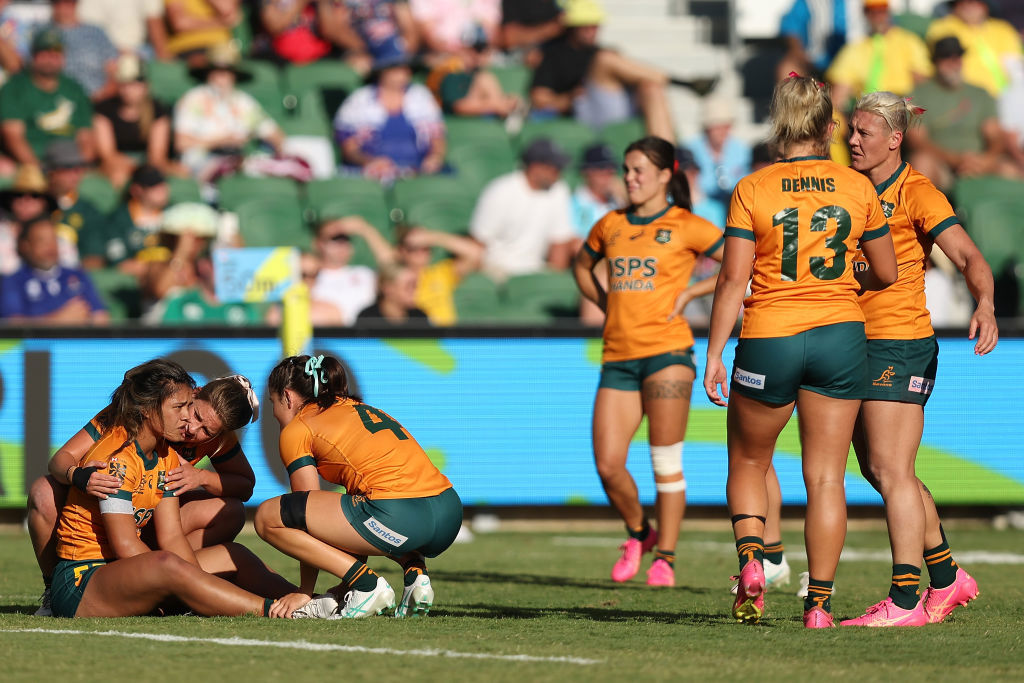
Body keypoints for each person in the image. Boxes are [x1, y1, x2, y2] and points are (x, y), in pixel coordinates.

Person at [703, 73, 897, 628]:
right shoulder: (857, 187)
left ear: (777, 123)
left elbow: (731, 280)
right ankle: (819, 606)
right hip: (839, 334)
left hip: (770, 334)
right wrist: (837, 279)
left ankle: (752, 561)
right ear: (827, 127)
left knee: (747, 460)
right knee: (827, 478)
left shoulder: (752, 188)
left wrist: (716, 352)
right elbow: (885, 270)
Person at [840, 90, 997, 626]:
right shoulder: (851, 187)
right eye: (851, 130)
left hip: (899, 341)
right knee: (879, 469)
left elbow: (969, 255)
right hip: (854, 339)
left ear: (895, 139)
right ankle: (949, 577)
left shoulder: (917, 192)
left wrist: (986, 303)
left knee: (890, 468)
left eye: (863, 132)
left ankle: (905, 599)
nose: (852, 139)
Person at [572, 136, 724, 587]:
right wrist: (605, 301)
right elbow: (581, 266)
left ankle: (667, 558)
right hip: (618, 355)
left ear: (664, 175)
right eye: (626, 170)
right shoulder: (609, 224)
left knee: (665, 459)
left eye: (639, 170)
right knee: (608, 465)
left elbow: (745, 259)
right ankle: (640, 531)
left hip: (669, 354)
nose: (630, 178)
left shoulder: (687, 225)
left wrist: (693, 292)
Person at [47, 359, 297, 619]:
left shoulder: (166, 456)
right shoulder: (118, 458)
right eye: (180, 407)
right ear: (147, 409)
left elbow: (172, 539)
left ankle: (308, 603)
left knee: (234, 554)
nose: (188, 418)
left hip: (136, 565)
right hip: (83, 579)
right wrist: (191, 583)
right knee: (168, 564)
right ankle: (272, 611)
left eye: (189, 408)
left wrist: (197, 584)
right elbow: (125, 545)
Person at [254, 353, 463, 618]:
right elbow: (349, 512)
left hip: (400, 517)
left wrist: (305, 592)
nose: (273, 413)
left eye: (273, 402)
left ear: (287, 396)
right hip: (447, 512)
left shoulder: (299, 427)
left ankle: (368, 585)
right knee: (353, 506)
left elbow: (304, 512)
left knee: (268, 517)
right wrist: (344, 583)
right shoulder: (358, 408)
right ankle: (415, 573)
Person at [529, 0, 673, 140]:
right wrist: (569, 99)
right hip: (587, 108)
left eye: (595, 26)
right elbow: (539, 99)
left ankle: (667, 158)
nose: (592, 30)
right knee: (605, 59)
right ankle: (672, 79)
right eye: (586, 25)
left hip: (617, 101)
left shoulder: (603, 51)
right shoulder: (554, 55)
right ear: (573, 26)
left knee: (651, 88)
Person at [905, 36, 1023, 190]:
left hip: (978, 163)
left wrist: (986, 160)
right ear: (935, 61)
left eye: (958, 57)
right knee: (921, 164)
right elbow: (917, 141)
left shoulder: (980, 93)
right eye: (946, 57)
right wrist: (955, 159)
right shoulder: (918, 94)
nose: (953, 63)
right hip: (941, 164)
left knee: (1013, 171)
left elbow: (994, 134)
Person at [173, 42, 285, 183]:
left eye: (226, 72)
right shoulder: (193, 99)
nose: (221, 77)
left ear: (234, 75)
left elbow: (275, 134)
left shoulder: (244, 102)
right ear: (208, 73)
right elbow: (181, 143)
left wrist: (275, 150)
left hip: (241, 162)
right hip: (203, 164)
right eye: (217, 71)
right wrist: (221, 141)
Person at [469, 137, 575, 280]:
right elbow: (477, 244)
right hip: (497, 271)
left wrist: (553, 281)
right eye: (554, 168)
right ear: (535, 166)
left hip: (536, 272)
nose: (559, 173)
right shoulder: (500, 191)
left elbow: (560, 244)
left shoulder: (559, 191)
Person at [333, 55, 446, 181]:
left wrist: (435, 157)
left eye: (406, 68)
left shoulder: (420, 96)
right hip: (367, 172)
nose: (404, 73)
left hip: (417, 169)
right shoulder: (360, 99)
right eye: (397, 69)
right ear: (382, 72)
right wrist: (369, 162)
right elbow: (349, 147)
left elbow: (437, 136)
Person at [0, 27, 94, 167]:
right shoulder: (14, 88)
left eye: (55, 54)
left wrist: (76, 169)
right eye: (44, 54)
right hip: (30, 162)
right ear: (33, 56)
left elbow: (86, 138)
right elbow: (13, 137)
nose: (50, 59)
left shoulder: (75, 89)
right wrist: (37, 168)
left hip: (69, 163)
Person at [0, 214, 109, 324]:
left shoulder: (77, 275)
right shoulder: (14, 281)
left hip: (76, 340)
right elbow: (13, 325)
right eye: (42, 241)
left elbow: (100, 317)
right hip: (37, 341)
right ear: (26, 246)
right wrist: (58, 320)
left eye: (53, 239)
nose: (50, 247)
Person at [825, 0, 932, 111]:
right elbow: (839, 95)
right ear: (865, 13)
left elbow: (922, 83)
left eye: (882, 11)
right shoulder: (854, 49)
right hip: (867, 110)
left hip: (900, 108)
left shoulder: (910, 42)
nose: (878, 16)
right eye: (872, 12)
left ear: (889, 12)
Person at [93, 54, 180, 188]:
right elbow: (108, 155)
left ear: (145, 86)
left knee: (179, 174)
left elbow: (156, 156)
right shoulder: (104, 110)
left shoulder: (158, 111)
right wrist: (133, 167)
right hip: (118, 165)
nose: (129, 90)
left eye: (134, 84)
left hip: (148, 164)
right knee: (119, 175)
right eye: (124, 84)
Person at [925, 0, 1022, 99]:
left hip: (1004, 96)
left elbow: (1014, 66)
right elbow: (947, 67)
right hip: (965, 98)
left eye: (974, 2)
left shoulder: (1003, 29)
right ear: (955, 6)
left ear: (985, 6)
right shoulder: (943, 28)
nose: (968, 7)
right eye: (962, 3)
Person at [44, 139, 109, 270]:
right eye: (68, 167)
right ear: (51, 171)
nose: (76, 173)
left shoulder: (88, 210)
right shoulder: (33, 204)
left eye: (80, 167)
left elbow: (95, 258)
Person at [683, 96, 752, 218]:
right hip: (703, 209)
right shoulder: (691, 150)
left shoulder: (740, 149)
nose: (722, 132)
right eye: (717, 127)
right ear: (707, 128)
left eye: (726, 126)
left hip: (736, 205)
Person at [308, 216, 379, 325]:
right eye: (335, 238)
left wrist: (365, 229)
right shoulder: (307, 276)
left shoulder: (364, 273)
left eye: (346, 238)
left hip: (366, 339)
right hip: (327, 337)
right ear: (319, 243)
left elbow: (395, 268)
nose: (342, 244)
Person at [48, 0, 119, 100]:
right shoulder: (44, 33)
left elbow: (112, 71)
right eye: (58, 3)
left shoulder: (96, 33)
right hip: (56, 100)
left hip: (96, 99)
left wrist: (102, 95)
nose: (63, 8)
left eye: (68, 3)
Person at [0, 164, 62, 275]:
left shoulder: (58, 234)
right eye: (19, 195)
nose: (26, 200)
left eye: (34, 195)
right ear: (10, 201)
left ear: (45, 202)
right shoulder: (2, 233)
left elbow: (67, 273)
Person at [77, 0, 169, 59]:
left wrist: (163, 56)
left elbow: (154, 20)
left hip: (140, 51)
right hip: (104, 55)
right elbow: (89, 29)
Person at [164, 0, 242, 66]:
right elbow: (180, 24)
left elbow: (227, 11)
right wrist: (220, 23)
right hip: (189, 49)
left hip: (223, 48)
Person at [355, 261, 430, 325]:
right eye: (409, 286)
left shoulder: (419, 317)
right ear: (388, 288)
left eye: (415, 286)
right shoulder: (367, 319)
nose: (415, 291)